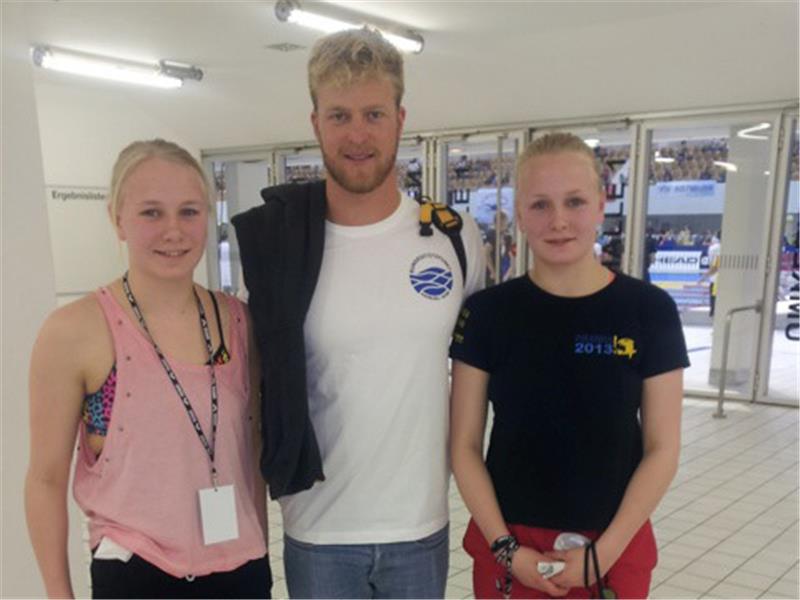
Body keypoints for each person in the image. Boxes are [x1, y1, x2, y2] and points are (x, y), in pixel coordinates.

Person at [233, 28, 484, 599]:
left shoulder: (455, 237)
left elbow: (477, 381)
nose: (357, 134)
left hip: (419, 525)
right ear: (315, 122)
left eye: (373, 113)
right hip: (319, 527)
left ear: (400, 118)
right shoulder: (279, 244)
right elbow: (252, 381)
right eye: (340, 115)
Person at [25, 140, 270, 599]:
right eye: (151, 213)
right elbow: (45, 478)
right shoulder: (76, 331)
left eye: (189, 212)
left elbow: (250, 455)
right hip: (138, 571)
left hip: (240, 569)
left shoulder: (237, 322)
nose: (173, 231)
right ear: (117, 218)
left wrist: (261, 554)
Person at [450, 132, 689, 599]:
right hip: (510, 545)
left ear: (601, 205)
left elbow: (663, 448)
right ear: (519, 213)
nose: (558, 220)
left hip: (612, 547)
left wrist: (605, 553)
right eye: (540, 205)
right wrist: (505, 549)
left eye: (575, 201)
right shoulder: (487, 314)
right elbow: (463, 446)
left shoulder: (649, 310)